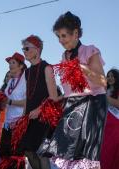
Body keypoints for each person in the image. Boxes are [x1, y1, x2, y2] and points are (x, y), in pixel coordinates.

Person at [38, 11, 107, 169]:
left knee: (84, 153)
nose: (61, 40)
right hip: (72, 105)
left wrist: (83, 68)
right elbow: (62, 95)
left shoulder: (90, 50)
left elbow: (103, 81)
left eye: (64, 36)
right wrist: (49, 75)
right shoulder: (64, 56)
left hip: (92, 104)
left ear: (75, 33)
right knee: (65, 149)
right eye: (58, 37)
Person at [19, 35, 59, 169]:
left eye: (26, 48)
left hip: (45, 117)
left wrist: (39, 110)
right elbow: (28, 96)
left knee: (42, 154)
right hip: (30, 118)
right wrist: (23, 117)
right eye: (23, 49)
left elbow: (53, 97)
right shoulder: (27, 72)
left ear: (37, 49)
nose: (24, 51)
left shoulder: (47, 68)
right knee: (28, 152)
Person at [0, 53, 27, 160]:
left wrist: (9, 102)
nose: (10, 65)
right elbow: (4, 100)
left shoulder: (25, 81)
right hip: (7, 123)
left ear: (21, 66)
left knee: (16, 157)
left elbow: (27, 102)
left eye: (13, 63)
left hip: (18, 123)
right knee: (3, 154)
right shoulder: (10, 81)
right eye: (9, 63)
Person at [100, 69, 119, 169]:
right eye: (108, 76)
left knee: (110, 150)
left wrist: (105, 97)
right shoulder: (104, 89)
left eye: (113, 76)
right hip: (103, 123)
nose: (110, 78)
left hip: (115, 124)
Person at [0, 71, 11, 142]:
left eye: (10, 76)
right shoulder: (0, 91)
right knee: (1, 140)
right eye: (7, 76)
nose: (8, 78)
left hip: (14, 118)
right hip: (2, 117)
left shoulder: (18, 89)